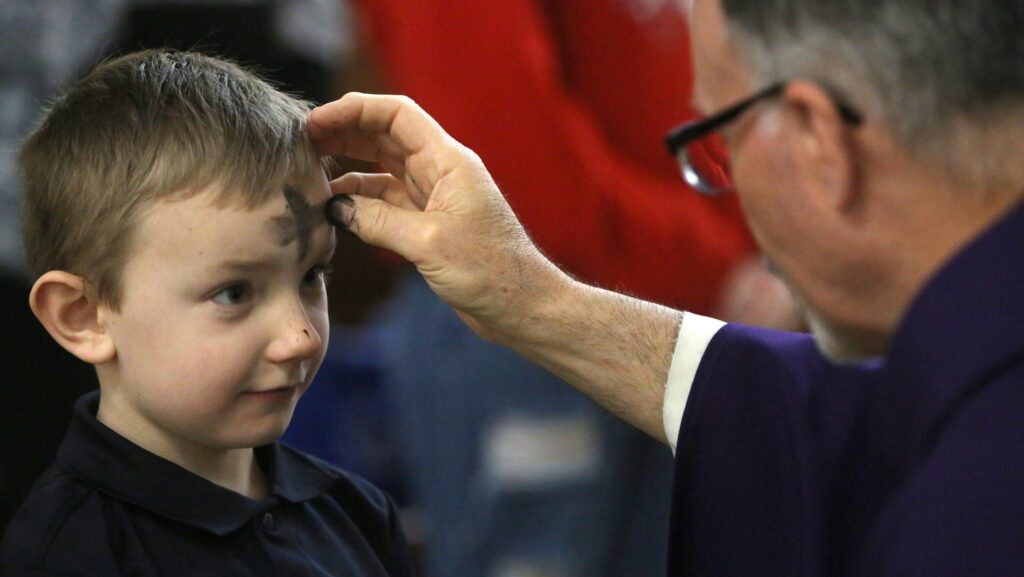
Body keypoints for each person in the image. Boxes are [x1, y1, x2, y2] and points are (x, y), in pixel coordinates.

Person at [309, 0, 1024, 573]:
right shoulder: (972, 370)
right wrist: (536, 300)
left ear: (818, 141)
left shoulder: (964, 502)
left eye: (720, 143)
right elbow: (846, 418)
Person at [1, 50, 413, 577]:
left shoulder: (356, 511)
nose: (301, 337)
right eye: (234, 294)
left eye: (311, 275)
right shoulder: (70, 555)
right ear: (84, 316)